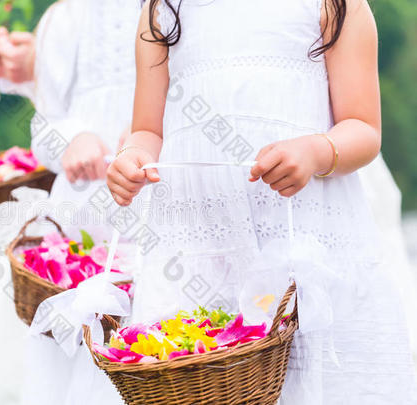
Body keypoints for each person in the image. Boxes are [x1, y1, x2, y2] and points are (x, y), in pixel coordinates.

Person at [107, 0, 417, 404]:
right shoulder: (164, 11)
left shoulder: (334, 6)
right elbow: (148, 129)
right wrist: (133, 156)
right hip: (199, 249)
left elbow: (362, 128)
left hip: (307, 244)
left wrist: (316, 150)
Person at [0, 1, 141, 404]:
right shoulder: (67, 16)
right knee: (68, 351)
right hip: (83, 211)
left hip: (160, 198)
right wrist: (73, 137)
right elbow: (46, 120)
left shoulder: (181, 11)